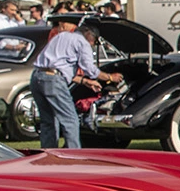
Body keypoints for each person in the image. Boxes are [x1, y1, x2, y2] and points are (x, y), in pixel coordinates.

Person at [30, 20, 119, 148]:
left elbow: (57, 67)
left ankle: (48, 153)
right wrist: (110, 77)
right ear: (88, 34)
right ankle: (74, 155)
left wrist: (85, 81)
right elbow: (89, 68)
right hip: (53, 80)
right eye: (94, 40)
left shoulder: (61, 36)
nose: (93, 44)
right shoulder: (82, 42)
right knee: (70, 119)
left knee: (48, 121)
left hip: (37, 77)